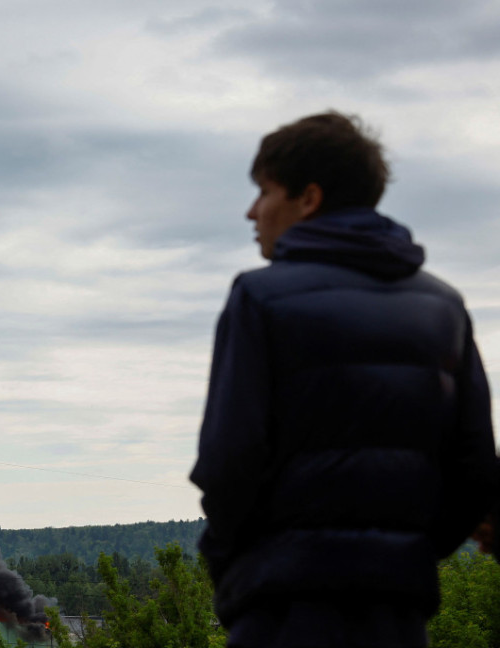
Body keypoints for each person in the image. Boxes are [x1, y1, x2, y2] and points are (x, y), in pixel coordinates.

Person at [190, 111, 496, 647]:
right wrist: (408, 555)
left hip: (282, 608)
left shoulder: (260, 298)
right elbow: (474, 473)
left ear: (308, 198)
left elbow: (228, 461)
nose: (251, 211)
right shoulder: (443, 305)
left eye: (263, 191)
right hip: (399, 613)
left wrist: (232, 563)